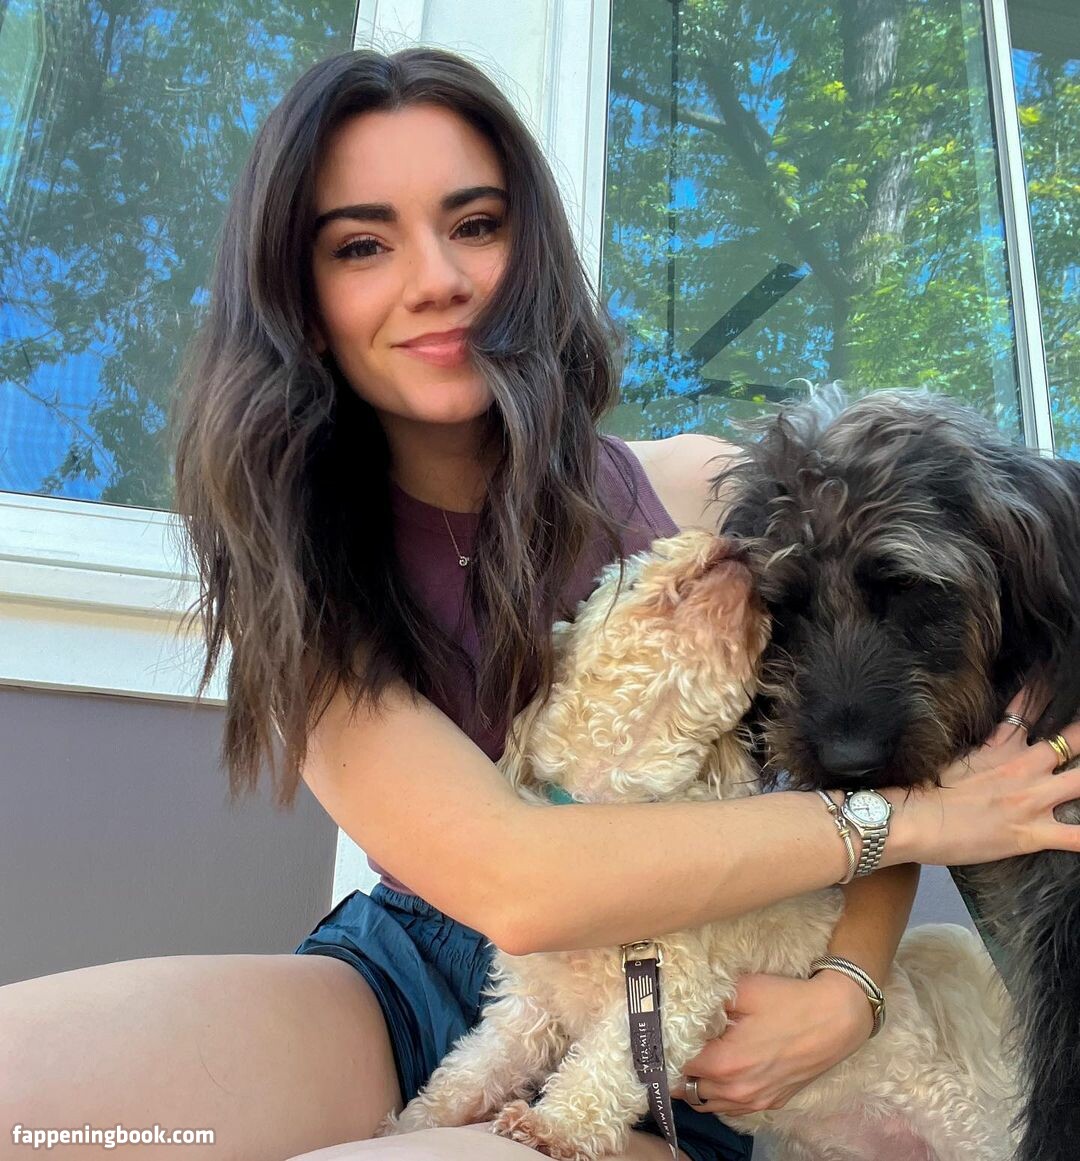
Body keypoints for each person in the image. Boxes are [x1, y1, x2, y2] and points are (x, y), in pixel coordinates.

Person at [4, 45, 1080, 1161]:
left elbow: (861, 748)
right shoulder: (307, 581)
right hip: (420, 967)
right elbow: (515, 881)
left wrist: (853, 980)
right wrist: (920, 824)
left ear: (532, 256)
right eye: (363, 244)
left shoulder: (709, 498)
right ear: (303, 303)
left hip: (671, 1027)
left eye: (475, 225)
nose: (438, 278)